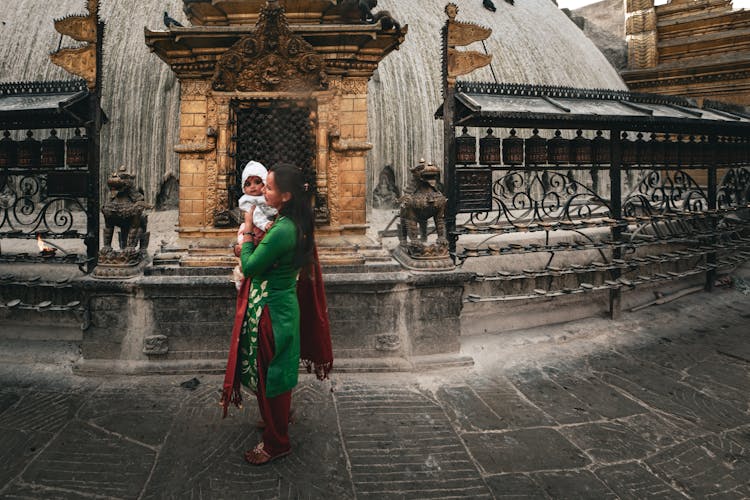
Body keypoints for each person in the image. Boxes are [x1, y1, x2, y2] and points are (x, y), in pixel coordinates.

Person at [221, 163, 333, 466]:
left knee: (272, 374)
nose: (262, 192)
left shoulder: (282, 229)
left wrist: (245, 232)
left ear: (285, 195)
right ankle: (278, 418)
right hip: (281, 306)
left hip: (270, 312)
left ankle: (276, 443)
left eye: (268, 187)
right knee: (276, 370)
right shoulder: (293, 221)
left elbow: (252, 265)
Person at [232, 161, 277, 290]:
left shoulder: (265, 197)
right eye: (248, 184)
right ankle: (241, 276)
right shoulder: (248, 200)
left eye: (257, 182)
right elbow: (255, 216)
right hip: (254, 228)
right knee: (247, 249)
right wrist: (265, 224)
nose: (252, 187)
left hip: (263, 232)